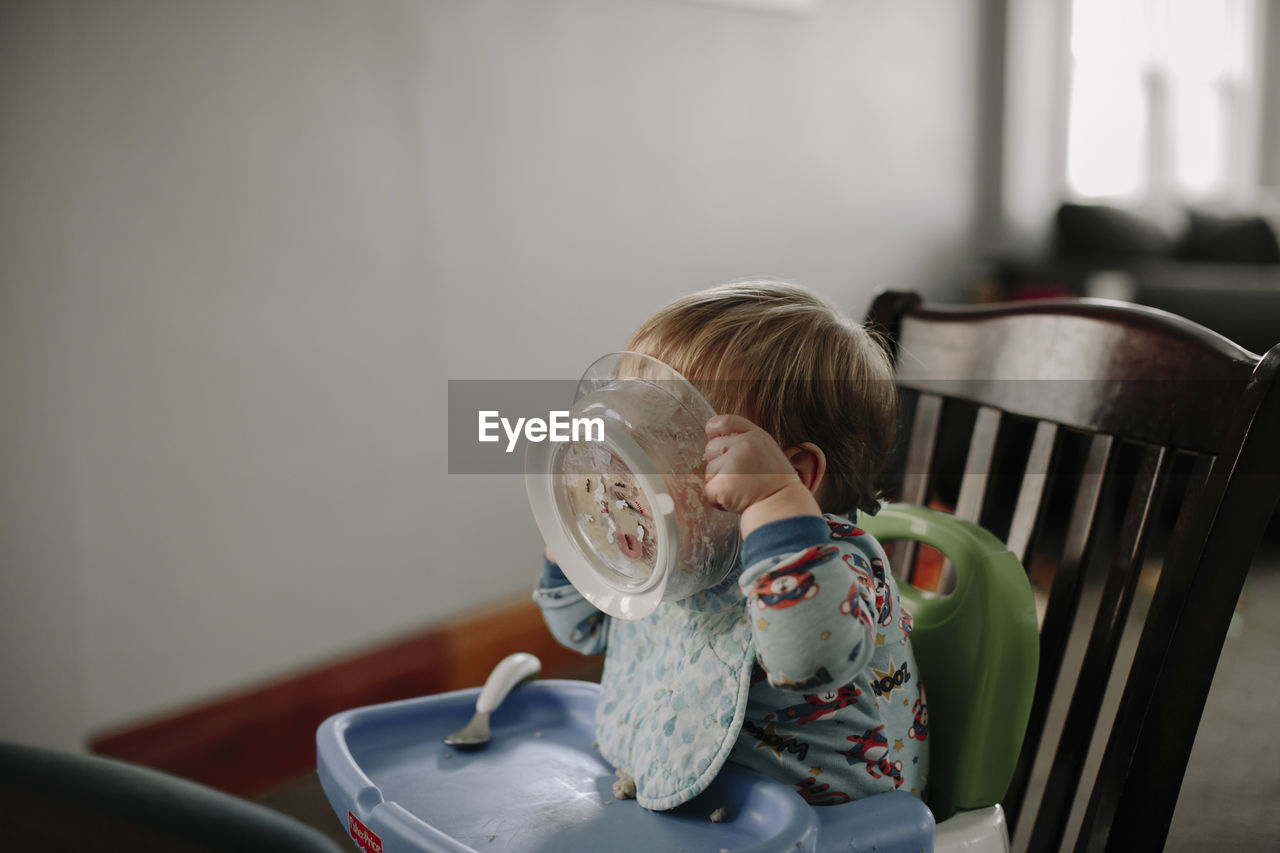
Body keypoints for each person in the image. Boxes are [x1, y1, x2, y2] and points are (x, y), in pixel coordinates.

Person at [533, 280, 928, 811]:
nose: (626, 469)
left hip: (827, 828)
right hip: (702, 813)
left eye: (670, 440)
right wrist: (571, 557)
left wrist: (774, 507)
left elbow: (805, 660)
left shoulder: (825, 565)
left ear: (793, 475)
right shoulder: (681, 550)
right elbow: (586, 632)